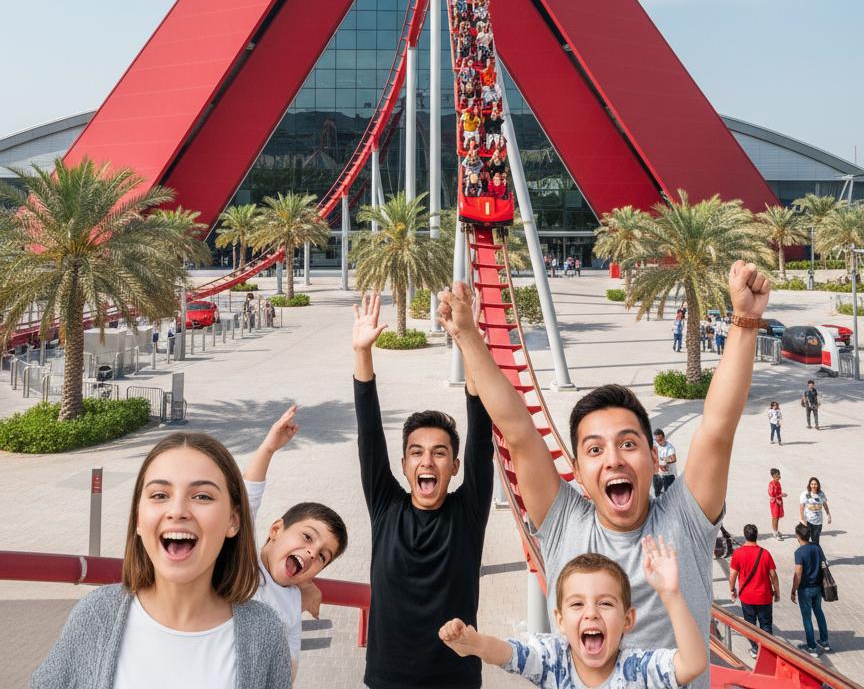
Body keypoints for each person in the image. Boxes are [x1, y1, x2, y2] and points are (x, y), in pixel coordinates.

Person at [438, 261, 772, 689]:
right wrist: (467, 335)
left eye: (628, 444)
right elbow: (519, 431)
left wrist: (745, 321)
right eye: (595, 449)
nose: (613, 458)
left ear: (654, 458)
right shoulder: (563, 523)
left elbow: (717, 428)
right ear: (576, 470)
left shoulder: (685, 521)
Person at [29, 433, 293, 689]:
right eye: (159, 495)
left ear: (233, 521)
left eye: (202, 496)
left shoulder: (265, 631)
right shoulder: (96, 615)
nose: (177, 511)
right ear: (138, 518)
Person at [352, 292, 493, 689]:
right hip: (386, 679)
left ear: (455, 466)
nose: (427, 462)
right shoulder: (386, 507)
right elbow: (369, 434)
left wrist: (467, 338)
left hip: (455, 680)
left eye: (439, 453)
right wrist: (363, 353)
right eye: (416, 453)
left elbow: (480, 431)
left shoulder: (468, 511)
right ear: (404, 466)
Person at [439, 538, 707, 689]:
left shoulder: (639, 669)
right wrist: (476, 645)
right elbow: (509, 653)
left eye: (605, 603)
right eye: (577, 604)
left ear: (628, 620)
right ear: (560, 620)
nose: (591, 613)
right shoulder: (552, 658)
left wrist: (671, 596)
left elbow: (692, 664)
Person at [242, 407, 348, 681]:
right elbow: (244, 504)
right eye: (307, 536)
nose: (313, 552)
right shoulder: (240, 562)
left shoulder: (292, 602)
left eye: (323, 557)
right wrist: (268, 448)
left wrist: (304, 587)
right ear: (276, 529)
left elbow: (290, 664)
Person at [729, 524, 779, 656]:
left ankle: (755, 649)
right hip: (764, 596)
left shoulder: (738, 553)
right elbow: (773, 575)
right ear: (756, 535)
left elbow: (733, 575)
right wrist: (777, 591)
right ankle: (768, 651)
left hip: (747, 597)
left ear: (745, 536)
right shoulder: (765, 553)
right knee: (766, 625)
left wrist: (732, 589)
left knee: (750, 625)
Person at [791, 523, 830, 653]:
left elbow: (798, 573)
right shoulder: (817, 547)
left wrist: (793, 590)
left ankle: (812, 646)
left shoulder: (799, 552)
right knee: (819, 612)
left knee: (807, 617)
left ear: (798, 536)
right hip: (818, 587)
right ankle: (824, 641)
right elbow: (824, 563)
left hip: (805, 589)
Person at [799, 477, 831, 546]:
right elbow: (802, 507)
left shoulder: (821, 494)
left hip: (818, 522)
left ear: (818, 485)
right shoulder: (806, 494)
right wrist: (802, 519)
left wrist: (828, 515)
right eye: (812, 484)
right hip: (807, 522)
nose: (813, 486)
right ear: (809, 485)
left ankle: (815, 555)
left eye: (815, 484)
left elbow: (825, 504)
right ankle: (806, 555)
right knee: (805, 540)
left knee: (816, 541)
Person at [652, 429, 676, 497]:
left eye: (660, 440)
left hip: (668, 475)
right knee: (657, 493)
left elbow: (673, 458)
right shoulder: (655, 445)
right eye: (657, 440)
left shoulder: (669, 447)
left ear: (664, 437)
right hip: (657, 474)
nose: (659, 442)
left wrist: (663, 460)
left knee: (668, 495)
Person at [768, 468, 786, 540]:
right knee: (775, 517)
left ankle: (776, 530)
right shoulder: (771, 484)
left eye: (779, 475)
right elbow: (771, 494)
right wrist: (781, 495)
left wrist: (781, 495)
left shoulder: (778, 483)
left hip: (779, 501)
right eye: (777, 475)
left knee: (777, 517)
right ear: (774, 476)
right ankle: (775, 532)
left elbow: (778, 493)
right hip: (774, 502)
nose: (779, 477)